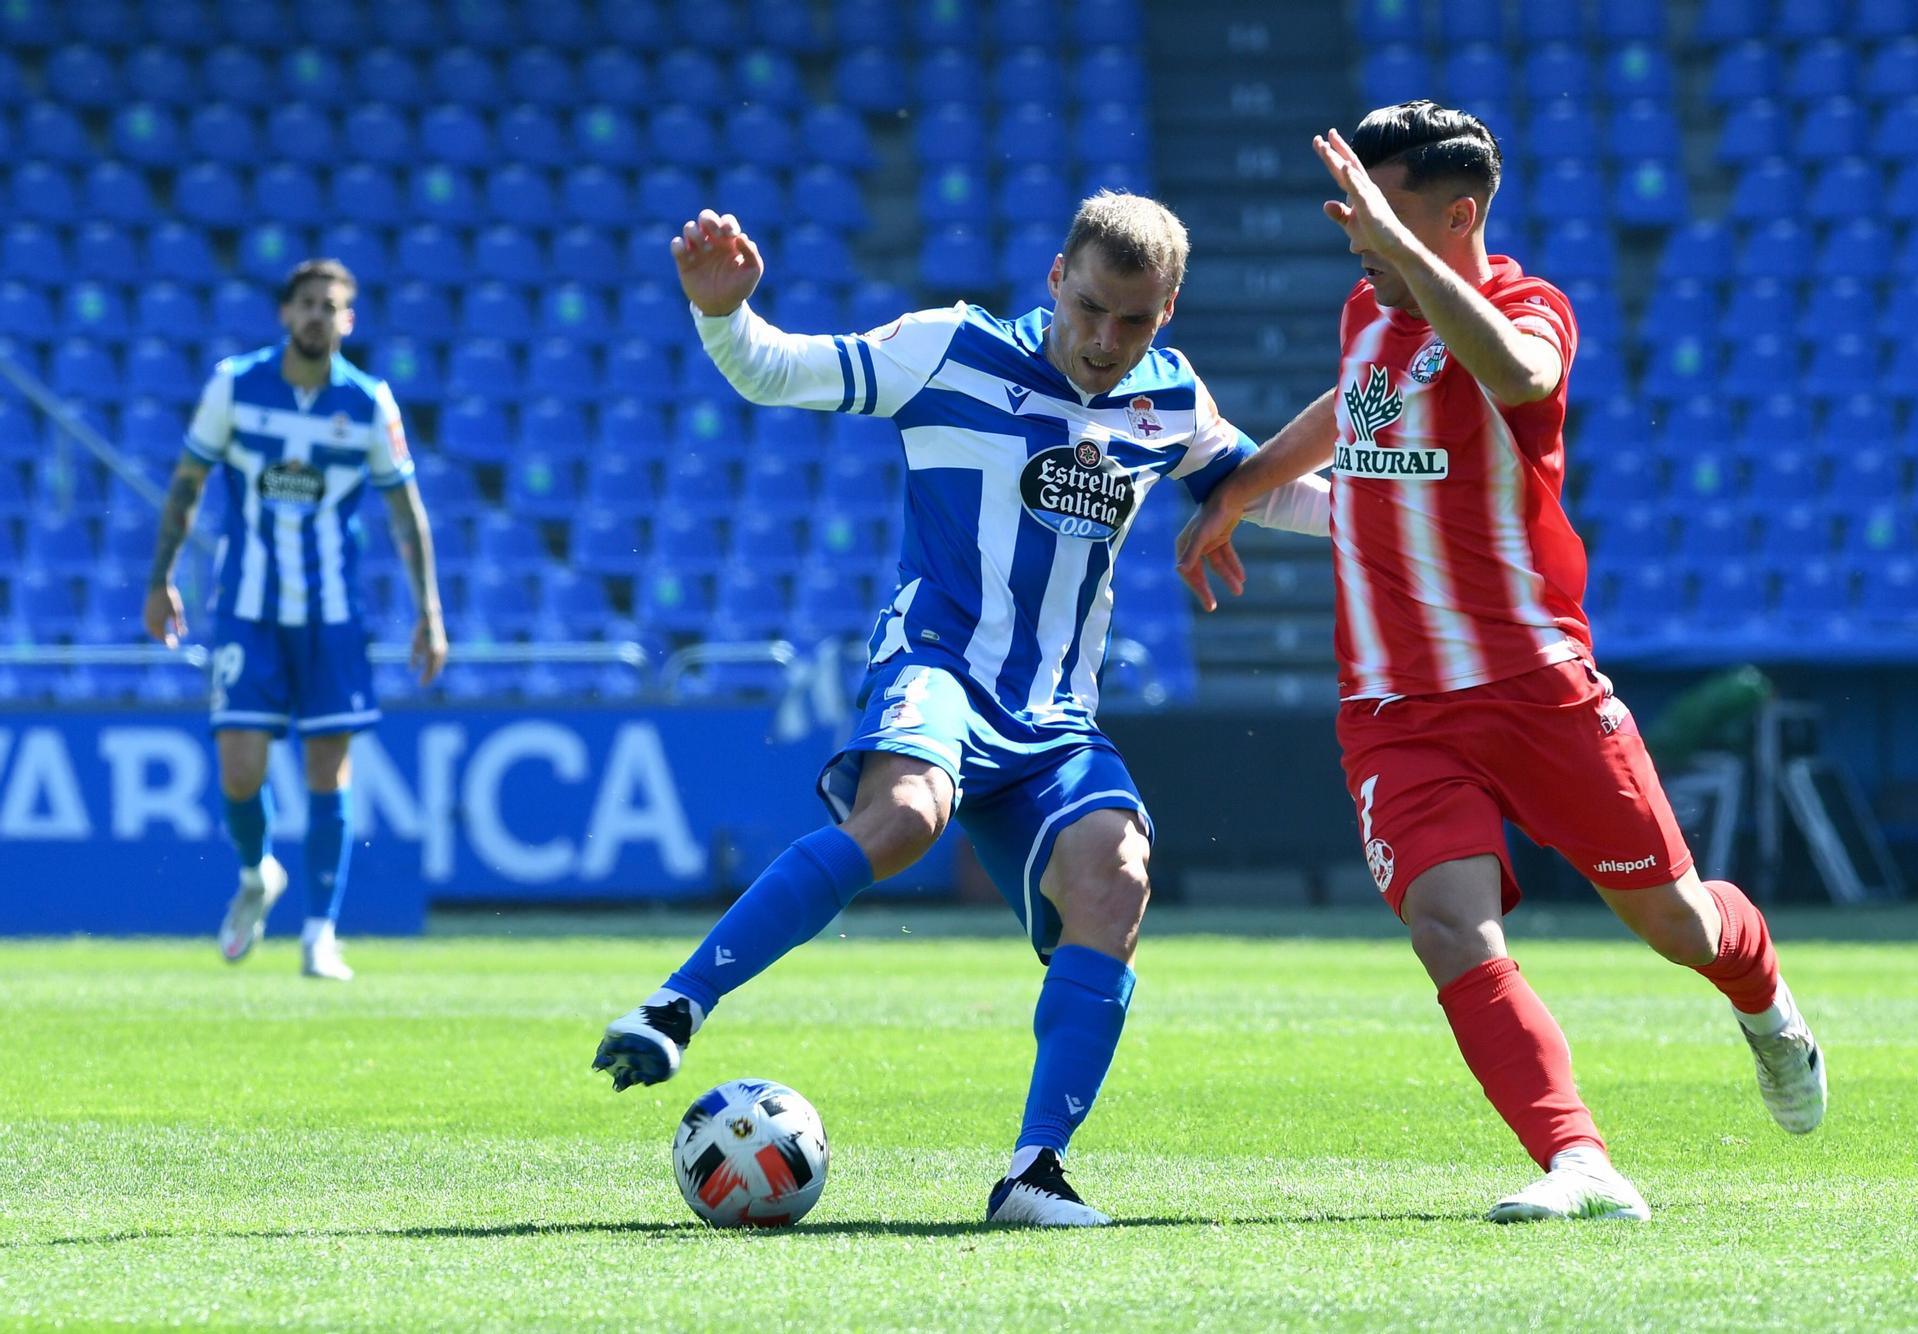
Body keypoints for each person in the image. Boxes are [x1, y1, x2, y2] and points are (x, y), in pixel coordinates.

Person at [594, 196, 1328, 1226]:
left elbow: (1268, 487)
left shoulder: (1168, 397)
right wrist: (725, 315)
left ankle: (1033, 1171)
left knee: (1115, 880)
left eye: (1133, 321)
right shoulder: (947, 349)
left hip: (1056, 717)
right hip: (937, 666)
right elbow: (775, 369)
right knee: (902, 819)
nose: (1105, 341)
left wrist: (1414, 507)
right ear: (1052, 277)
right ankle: (675, 1001)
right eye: (1087, 309)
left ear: (1166, 311)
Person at [1175, 102, 1826, 1223]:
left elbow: (1519, 378)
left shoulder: (1531, 312)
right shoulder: (1366, 308)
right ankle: (1578, 1159)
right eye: (1351, 218)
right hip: (1393, 708)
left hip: (1533, 685)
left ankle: (1764, 1002)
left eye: (1376, 218)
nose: (1355, 240)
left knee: (1674, 920)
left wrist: (1409, 255)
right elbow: (1353, 405)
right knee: (1447, 924)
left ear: (1456, 214)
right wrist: (1237, 486)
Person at [143, 258, 448, 981]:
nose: (318, 315)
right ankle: (257, 875)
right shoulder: (235, 386)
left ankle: (320, 934)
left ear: (349, 321)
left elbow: (406, 512)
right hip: (247, 611)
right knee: (241, 773)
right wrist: (160, 580)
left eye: (332, 306)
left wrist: (428, 610)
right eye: (307, 303)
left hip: (333, 617)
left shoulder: (370, 403)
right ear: (285, 313)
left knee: (326, 769)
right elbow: (186, 485)